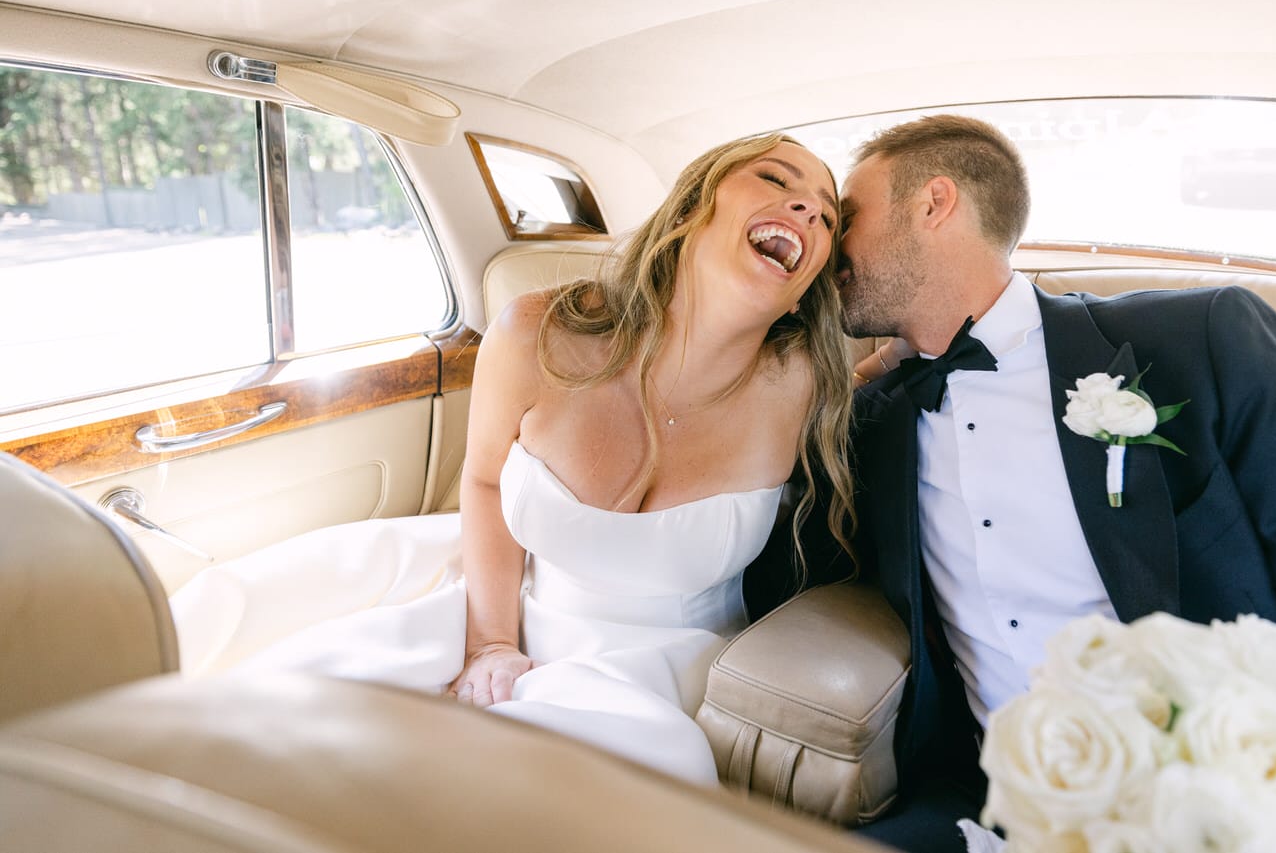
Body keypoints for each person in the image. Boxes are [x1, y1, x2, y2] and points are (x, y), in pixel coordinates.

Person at [746, 114, 1276, 851]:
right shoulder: (872, 420)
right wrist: (798, 387)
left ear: (934, 203)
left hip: (1236, 802)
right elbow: (781, 576)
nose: (828, 245)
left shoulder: (1202, 341)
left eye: (847, 215)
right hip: (999, 808)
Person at [169, 132, 855, 785]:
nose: (806, 209)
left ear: (805, 289)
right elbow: (487, 479)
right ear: (688, 211)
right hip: (504, 609)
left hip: (656, 677)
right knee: (287, 716)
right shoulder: (537, 332)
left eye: (826, 217)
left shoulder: (804, 387)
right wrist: (490, 642)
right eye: (775, 179)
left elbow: (912, 371)